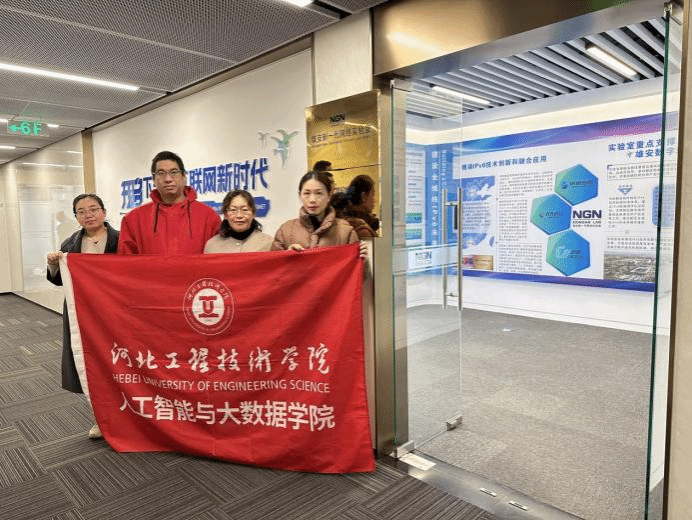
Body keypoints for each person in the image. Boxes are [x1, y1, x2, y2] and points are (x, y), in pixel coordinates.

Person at [47, 193, 119, 439]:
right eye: (81, 211)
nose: (88, 215)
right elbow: (59, 280)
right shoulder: (70, 244)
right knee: (91, 365)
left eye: (93, 209)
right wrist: (54, 264)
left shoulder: (122, 240)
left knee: (119, 364)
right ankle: (101, 419)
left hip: (116, 313)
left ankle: (127, 418)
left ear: (104, 212)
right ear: (76, 217)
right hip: (83, 314)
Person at [118, 150, 220, 254]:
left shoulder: (209, 217)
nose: (168, 179)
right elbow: (125, 261)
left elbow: (219, 258)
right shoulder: (133, 219)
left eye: (174, 172)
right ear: (154, 179)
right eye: (161, 173)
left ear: (184, 176)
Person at [272, 170, 361, 252]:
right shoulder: (285, 231)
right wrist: (287, 256)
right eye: (306, 193)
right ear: (300, 196)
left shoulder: (345, 231)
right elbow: (273, 263)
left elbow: (355, 263)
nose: (312, 200)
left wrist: (364, 257)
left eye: (319, 193)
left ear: (329, 195)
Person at [204, 189, 272, 253]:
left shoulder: (268, 243)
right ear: (225, 214)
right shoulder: (212, 246)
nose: (239, 215)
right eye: (233, 210)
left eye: (245, 210)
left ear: (253, 213)